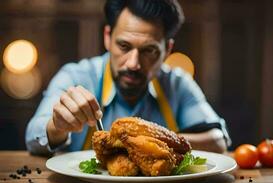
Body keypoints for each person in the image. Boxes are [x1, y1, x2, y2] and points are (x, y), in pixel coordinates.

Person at [26, 0, 231, 156]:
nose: (133, 63)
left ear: (167, 50)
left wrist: (145, 139)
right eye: (124, 46)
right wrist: (57, 127)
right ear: (108, 37)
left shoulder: (177, 84)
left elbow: (217, 141)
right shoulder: (76, 76)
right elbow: (33, 137)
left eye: (149, 50)